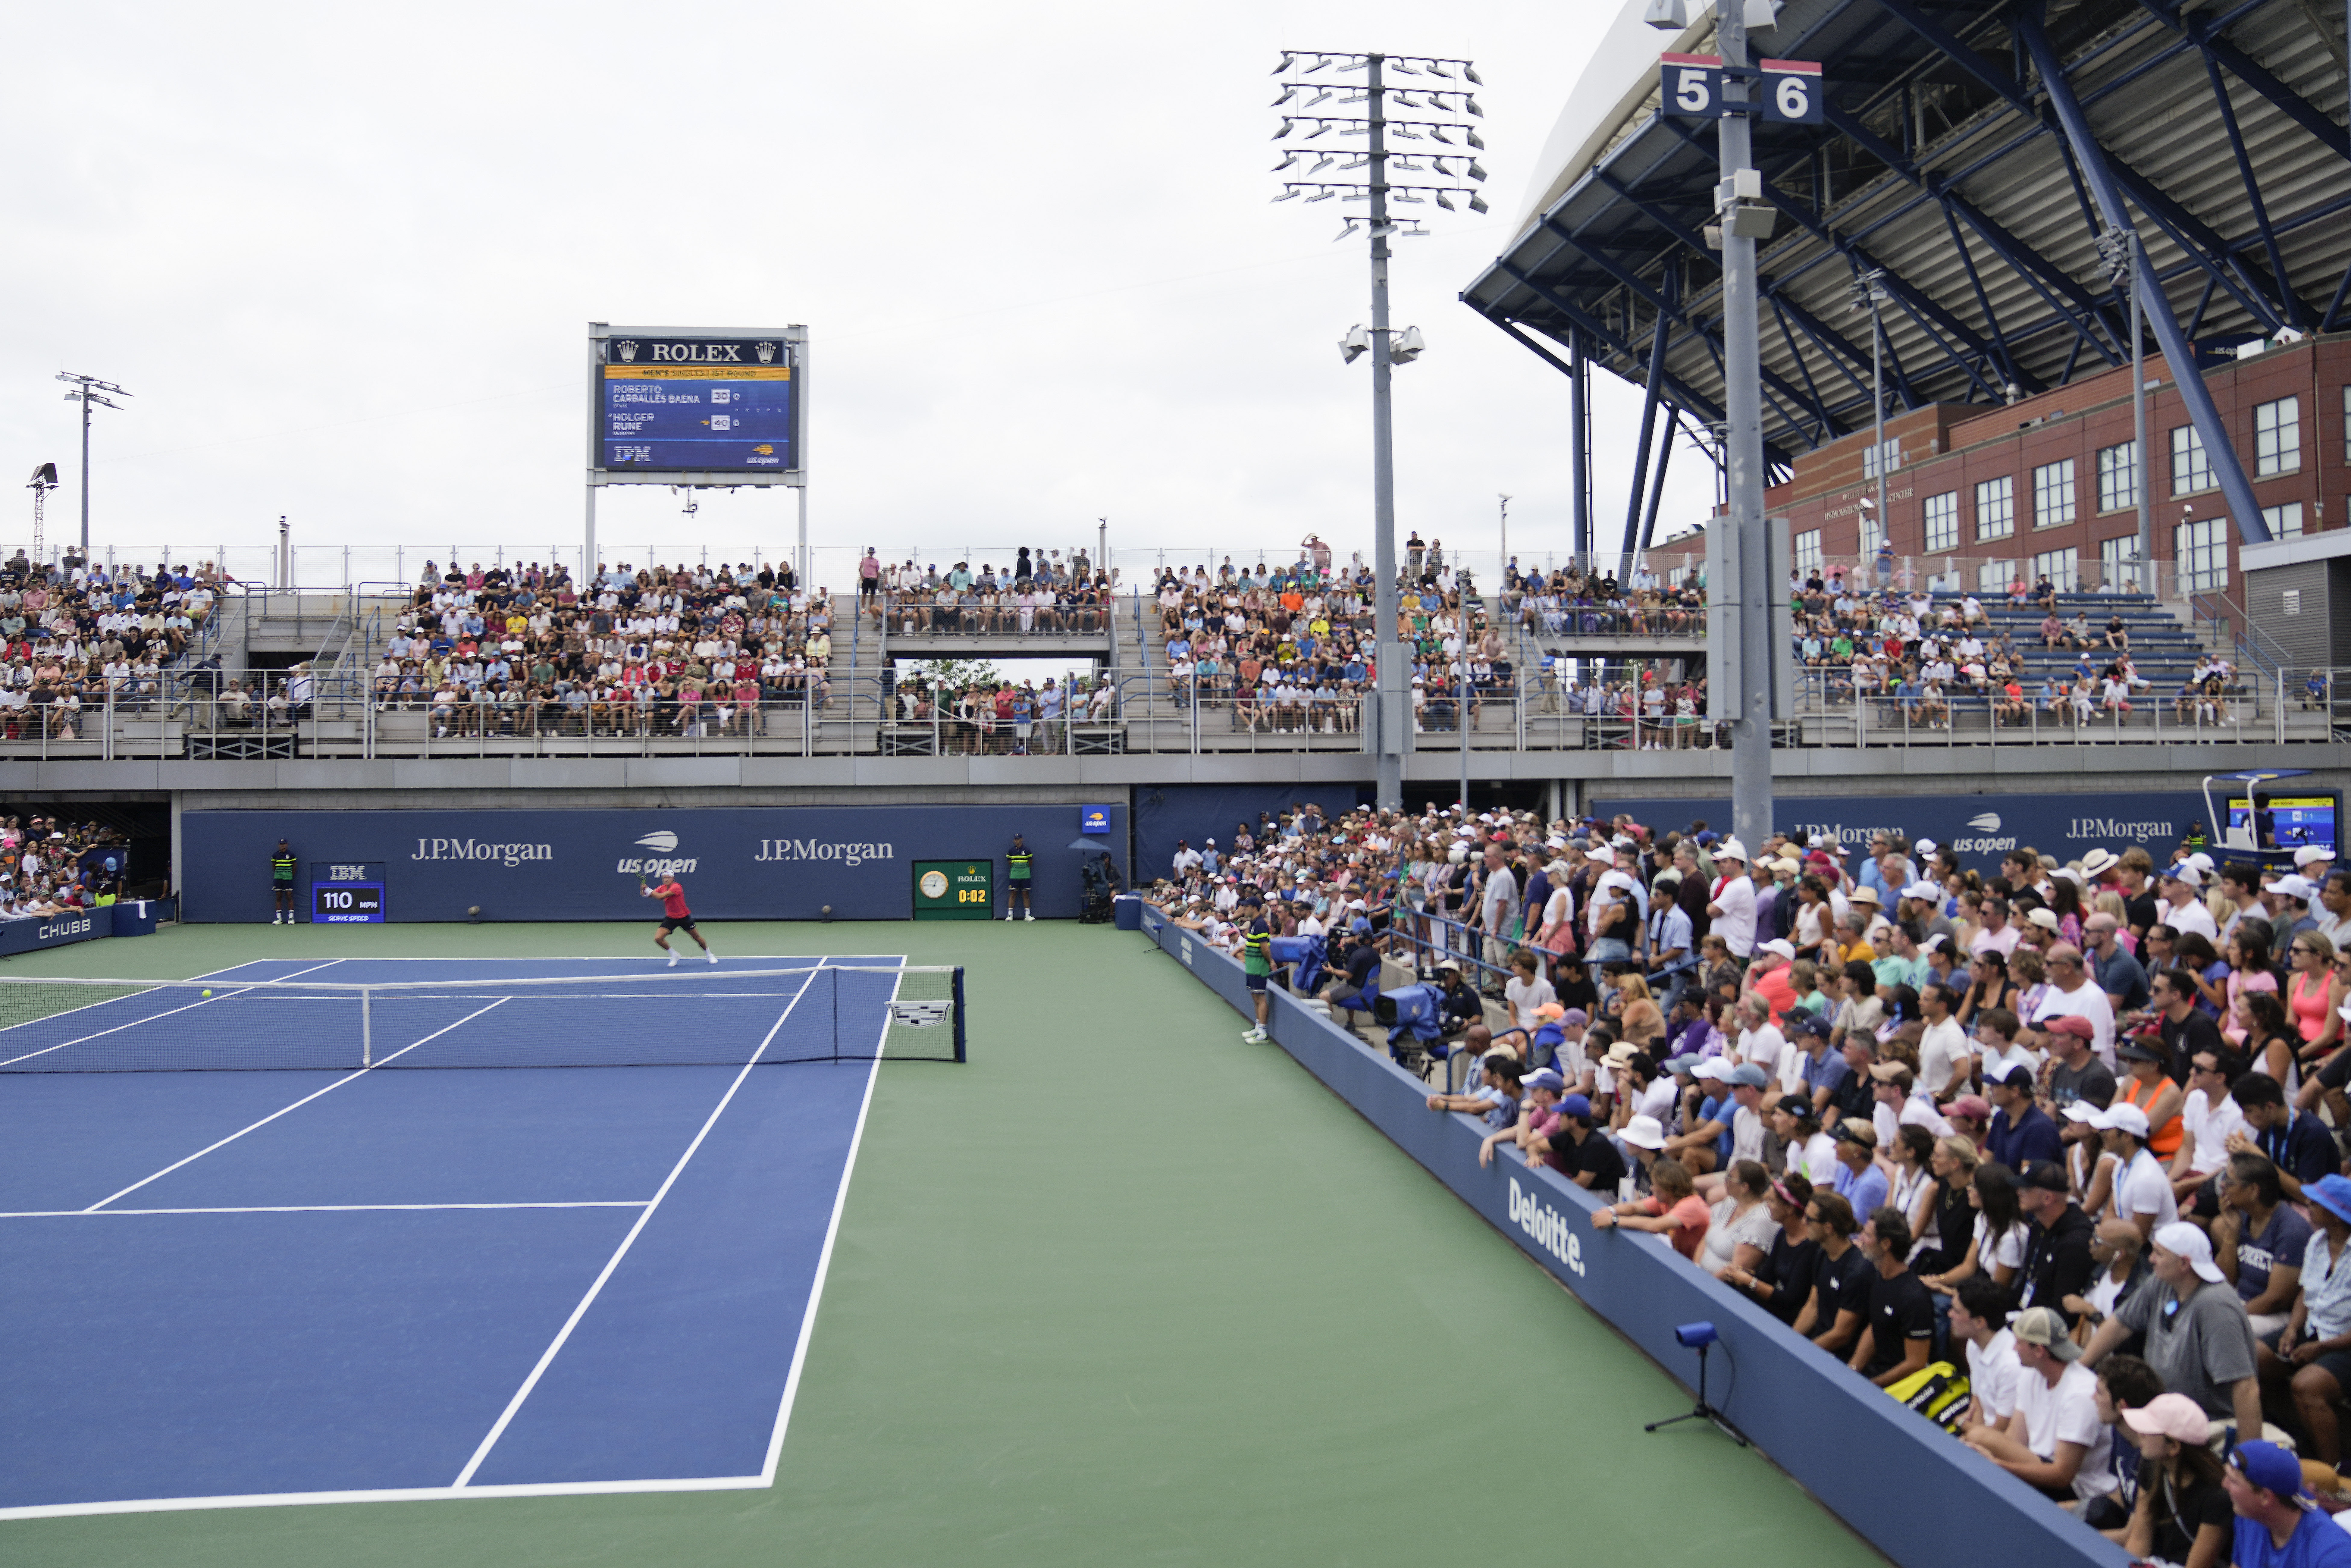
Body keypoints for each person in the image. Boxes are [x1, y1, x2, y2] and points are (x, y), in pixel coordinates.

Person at [2082, 1222, 2263, 1442]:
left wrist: (2247, 1459)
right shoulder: (2161, 1282)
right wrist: (2079, 1369)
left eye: (2158, 1254)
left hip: (2204, 1426)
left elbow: (2245, 1387)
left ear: (2184, 1263)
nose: (2150, 1260)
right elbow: (2119, 1325)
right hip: (2160, 1414)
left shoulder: (2217, 1307)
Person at [1963, 1305, 2116, 1506]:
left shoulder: (2081, 1395)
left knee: (1978, 1437)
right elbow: (2013, 1440)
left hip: (2079, 1490)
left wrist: (1998, 1465)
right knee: (1972, 1445)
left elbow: (2062, 1475)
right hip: (2039, 1464)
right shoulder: (2030, 1373)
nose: (2013, 1348)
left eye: (2019, 1343)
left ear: (2039, 1350)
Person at [2265, 1172, 2351, 1466]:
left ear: (2337, 1215)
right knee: (2251, 1356)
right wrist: (2291, 1328)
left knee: (2306, 1386)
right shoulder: (2318, 1240)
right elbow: (2306, 1290)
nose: (2309, 1205)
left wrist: (2322, 1349)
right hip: (2313, 1327)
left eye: (2316, 1203)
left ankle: (2332, 1473)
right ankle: (2287, 1441)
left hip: (2343, 1342)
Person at [2116, 1392, 2233, 1568]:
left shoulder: (2218, 1498)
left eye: (2149, 1430)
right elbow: (2140, 1539)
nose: (2140, 1434)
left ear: (2174, 1447)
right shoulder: (2150, 1466)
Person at [2220, 1439, 2351, 1567]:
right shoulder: (2249, 1517)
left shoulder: (2333, 1556)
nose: (2224, 1484)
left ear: (2266, 1497)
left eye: (2233, 1481)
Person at [1848, 1207, 1935, 1388]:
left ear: (1886, 1244)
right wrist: (1852, 1371)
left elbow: (1916, 1363)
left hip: (1901, 1388)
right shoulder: (1877, 1276)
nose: (1861, 1239)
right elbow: (1875, 1328)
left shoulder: (1914, 1298)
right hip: (1875, 1375)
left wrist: (1872, 1386)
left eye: (1868, 1235)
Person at [641, 873, 717, 965]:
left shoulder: (677, 887)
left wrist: (649, 890)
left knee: (697, 938)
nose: (666, 880)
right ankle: (675, 955)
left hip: (684, 918)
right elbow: (649, 895)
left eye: (668, 878)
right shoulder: (662, 888)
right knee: (658, 939)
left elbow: (661, 897)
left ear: (673, 878)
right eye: (665, 878)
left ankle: (710, 955)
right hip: (671, 918)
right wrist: (644, 890)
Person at [1239, 894, 1274, 1043]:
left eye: (1246, 907)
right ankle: (1258, 1027)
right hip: (1252, 966)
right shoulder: (1254, 923)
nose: (1243, 909)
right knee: (1255, 996)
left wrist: (1270, 961)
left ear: (1254, 908)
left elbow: (1265, 948)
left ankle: (1263, 1033)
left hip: (1259, 967)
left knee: (1260, 997)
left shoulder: (1260, 925)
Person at [1004, 833, 1035, 921]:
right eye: (1015, 839)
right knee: (1013, 894)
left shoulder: (1027, 851)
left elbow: (1030, 863)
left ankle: (1027, 916)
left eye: (1018, 839)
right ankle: (1010, 915)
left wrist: (1024, 870)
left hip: (1026, 876)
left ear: (1022, 839)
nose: (1016, 841)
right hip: (1014, 876)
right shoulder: (1011, 852)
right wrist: (1016, 870)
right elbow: (1010, 863)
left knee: (1026, 894)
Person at [271, 836, 297, 925]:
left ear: (287, 845)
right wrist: (279, 874)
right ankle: (279, 919)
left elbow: (295, 866)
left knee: (289, 897)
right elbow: (274, 866)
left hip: (288, 878)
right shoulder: (275, 855)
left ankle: (291, 918)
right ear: (279, 845)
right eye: (281, 844)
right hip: (278, 878)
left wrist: (290, 875)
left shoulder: (291, 855)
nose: (283, 846)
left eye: (284, 844)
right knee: (279, 898)